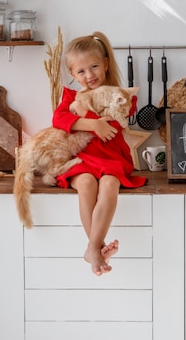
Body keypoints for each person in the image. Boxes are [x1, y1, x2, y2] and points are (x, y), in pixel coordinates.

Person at [52, 31, 147, 276]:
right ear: (72, 75)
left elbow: (125, 107)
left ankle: (93, 248)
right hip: (82, 158)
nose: (89, 75)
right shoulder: (72, 96)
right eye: (81, 71)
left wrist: (88, 115)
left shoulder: (119, 94)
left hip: (111, 159)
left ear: (105, 64)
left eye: (94, 67)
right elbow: (58, 118)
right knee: (85, 183)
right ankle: (96, 249)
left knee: (109, 184)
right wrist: (94, 124)